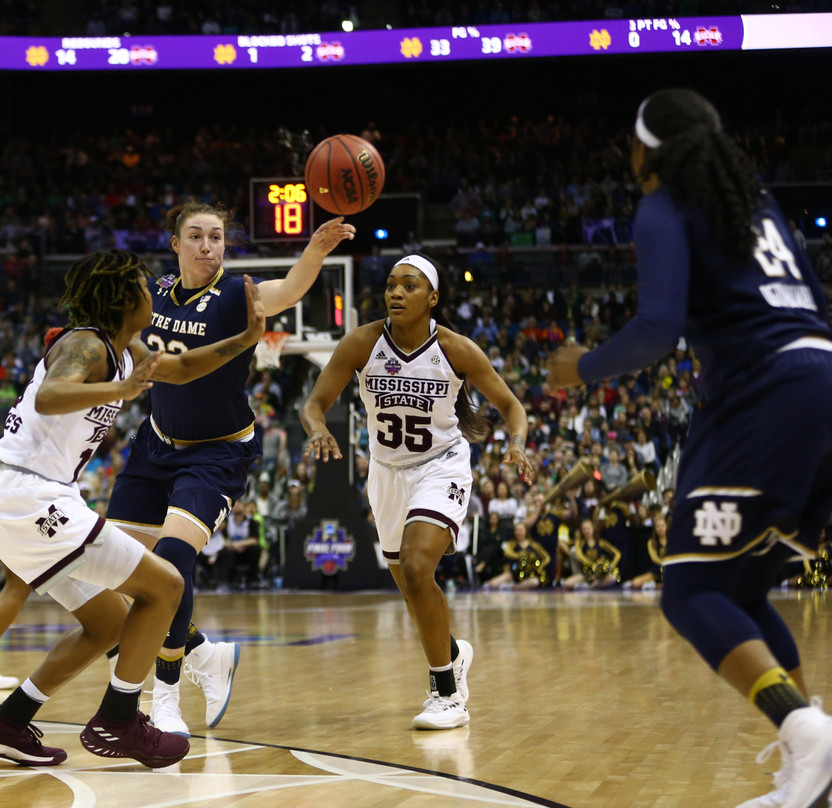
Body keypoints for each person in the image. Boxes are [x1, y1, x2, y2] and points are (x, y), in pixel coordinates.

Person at [546, 89, 832, 808]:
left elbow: (657, 329)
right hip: (821, 379)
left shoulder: (665, 205)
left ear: (647, 150)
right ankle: (810, 767)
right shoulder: (760, 207)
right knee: (738, 590)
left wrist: (579, 367)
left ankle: (807, 733)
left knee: (692, 589)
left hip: (766, 391)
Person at [0, 248, 266, 768]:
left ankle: (7, 722)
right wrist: (120, 389)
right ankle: (120, 720)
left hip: (21, 499)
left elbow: (183, 367)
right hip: (31, 495)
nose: (155, 294)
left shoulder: (125, 346)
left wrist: (243, 341)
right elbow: (50, 396)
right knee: (166, 585)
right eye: (146, 288)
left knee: (106, 625)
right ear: (127, 298)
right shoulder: (85, 343)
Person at [105, 201, 355, 736]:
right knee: (120, 567)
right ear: (175, 244)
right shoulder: (155, 295)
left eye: (215, 237)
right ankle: (203, 653)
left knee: (171, 560)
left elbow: (287, 290)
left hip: (217, 451)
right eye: (195, 236)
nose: (206, 246)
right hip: (155, 444)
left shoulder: (238, 293)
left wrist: (314, 249)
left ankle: (166, 696)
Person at [301, 253, 533, 730]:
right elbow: (314, 404)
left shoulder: (456, 349)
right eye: (390, 285)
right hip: (386, 473)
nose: (396, 293)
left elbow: (511, 406)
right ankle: (452, 653)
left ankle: (447, 693)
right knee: (411, 587)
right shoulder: (362, 343)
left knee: (417, 565)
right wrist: (317, 429)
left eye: (408, 286)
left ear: (432, 298)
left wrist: (516, 443)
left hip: (441, 466)